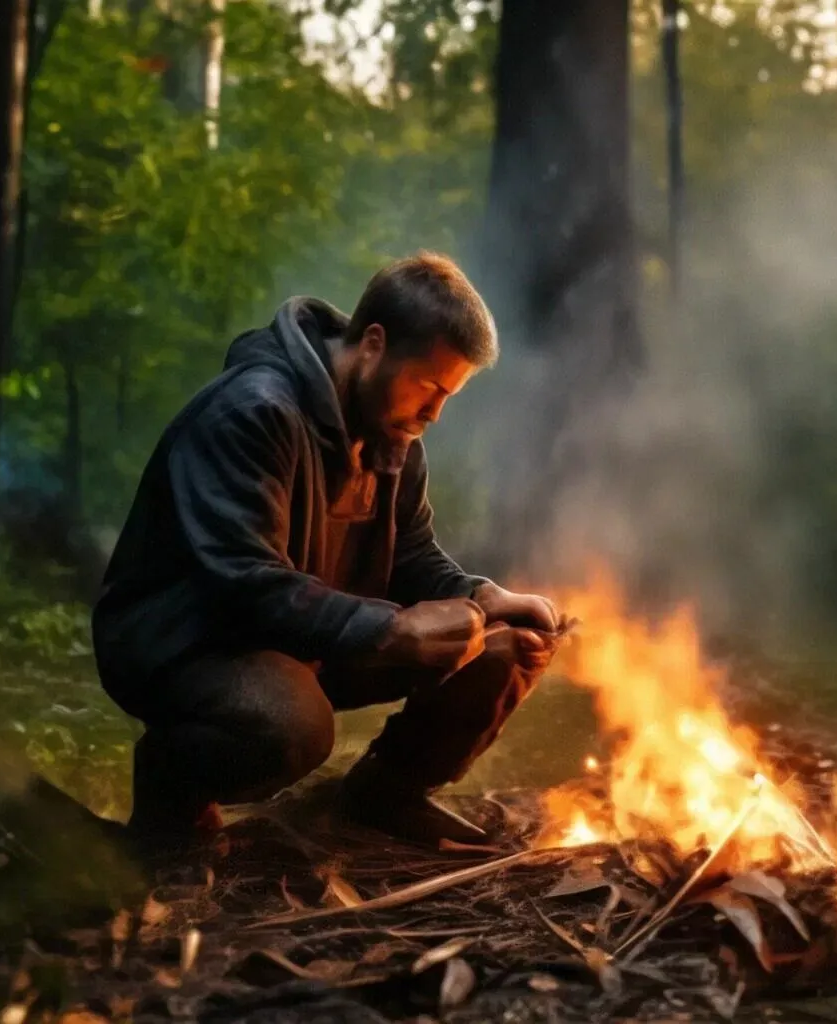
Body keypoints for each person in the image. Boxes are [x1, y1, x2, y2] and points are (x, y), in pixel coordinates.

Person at [92, 252, 569, 848]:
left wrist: (481, 596)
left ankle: (384, 793)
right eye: (427, 385)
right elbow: (244, 584)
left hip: (310, 639)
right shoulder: (254, 412)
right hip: (188, 642)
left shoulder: (392, 434)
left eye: (449, 394)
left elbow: (411, 555)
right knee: (292, 724)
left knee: (507, 649)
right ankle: (172, 794)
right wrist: (392, 631)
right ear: (373, 343)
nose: (434, 413)